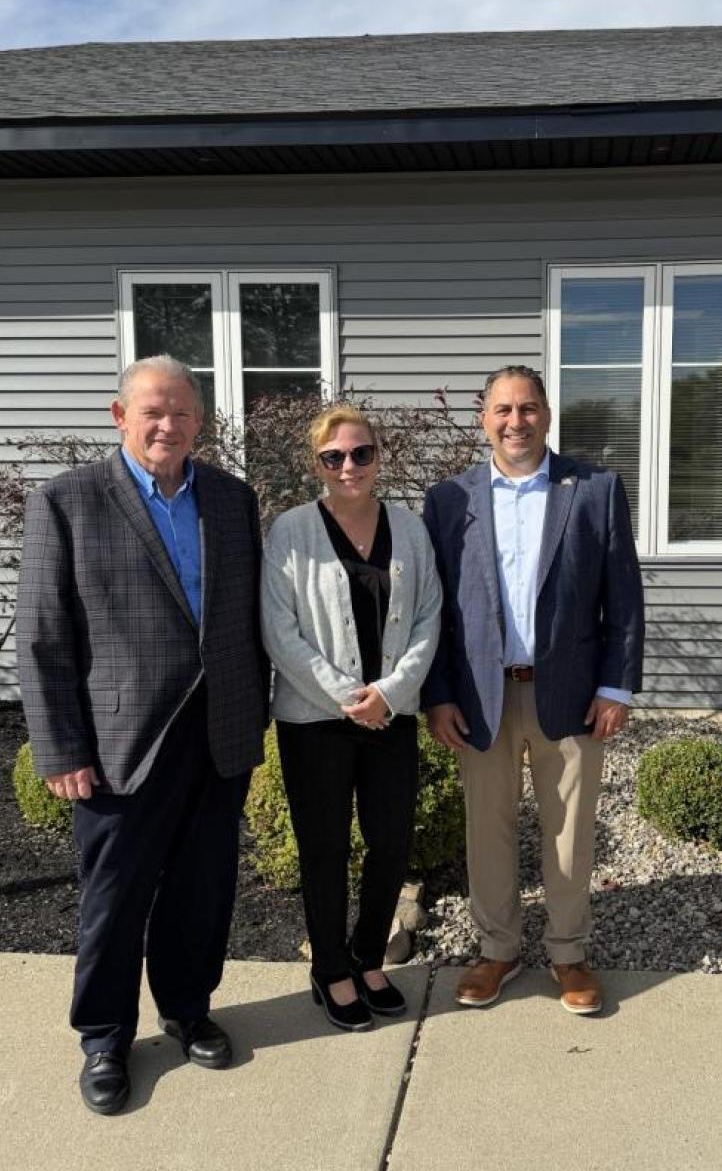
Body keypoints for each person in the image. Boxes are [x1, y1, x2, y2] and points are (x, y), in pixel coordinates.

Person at [15, 354, 269, 1115]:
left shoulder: (230, 498)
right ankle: (103, 1036)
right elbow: (42, 636)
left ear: (200, 421)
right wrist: (60, 748)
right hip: (122, 740)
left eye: (182, 412)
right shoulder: (68, 501)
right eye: (152, 411)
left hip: (218, 730)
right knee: (116, 896)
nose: (167, 424)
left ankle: (188, 1009)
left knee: (202, 887)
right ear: (119, 415)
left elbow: (245, 615)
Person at [422, 364, 644, 1015]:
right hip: (479, 695)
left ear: (546, 415)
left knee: (569, 831)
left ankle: (568, 954)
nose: (514, 421)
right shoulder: (449, 500)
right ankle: (498, 949)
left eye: (527, 409)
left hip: (571, 693)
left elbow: (623, 597)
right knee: (486, 831)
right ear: (483, 419)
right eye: (502, 410)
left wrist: (616, 687)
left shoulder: (595, 489)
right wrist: (437, 693)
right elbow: (434, 609)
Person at [261, 405, 441, 1032]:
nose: (348, 466)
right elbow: (279, 631)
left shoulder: (411, 531)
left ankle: (369, 957)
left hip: (391, 715)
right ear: (317, 464)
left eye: (360, 453)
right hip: (314, 721)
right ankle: (330, 968)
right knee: (326, 847)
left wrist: (389, 693)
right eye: (333, 457)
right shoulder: (290, 531)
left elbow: (429, 617)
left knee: (391, 841)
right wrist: (347, 695)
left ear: (378, 457)